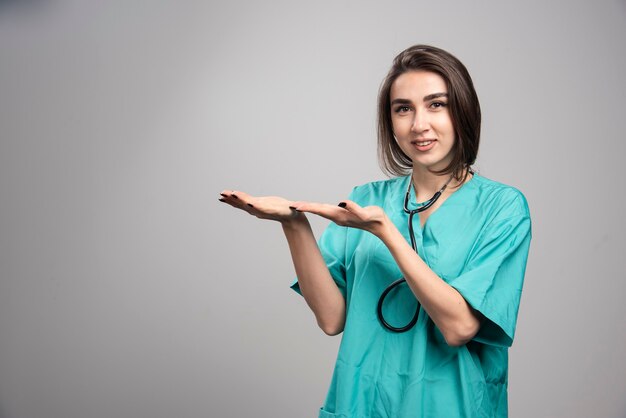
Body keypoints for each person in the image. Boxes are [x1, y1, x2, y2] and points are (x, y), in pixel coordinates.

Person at [219, 44, 531, 418]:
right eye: (403, 109)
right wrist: (294, 224)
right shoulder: (365, 198)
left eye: (436, 104)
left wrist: (387, 232)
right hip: (361, 402)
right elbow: (332, 318)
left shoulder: (503, 208)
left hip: (450, 405)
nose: (419, 124)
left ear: (463, 110)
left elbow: (459, 326)